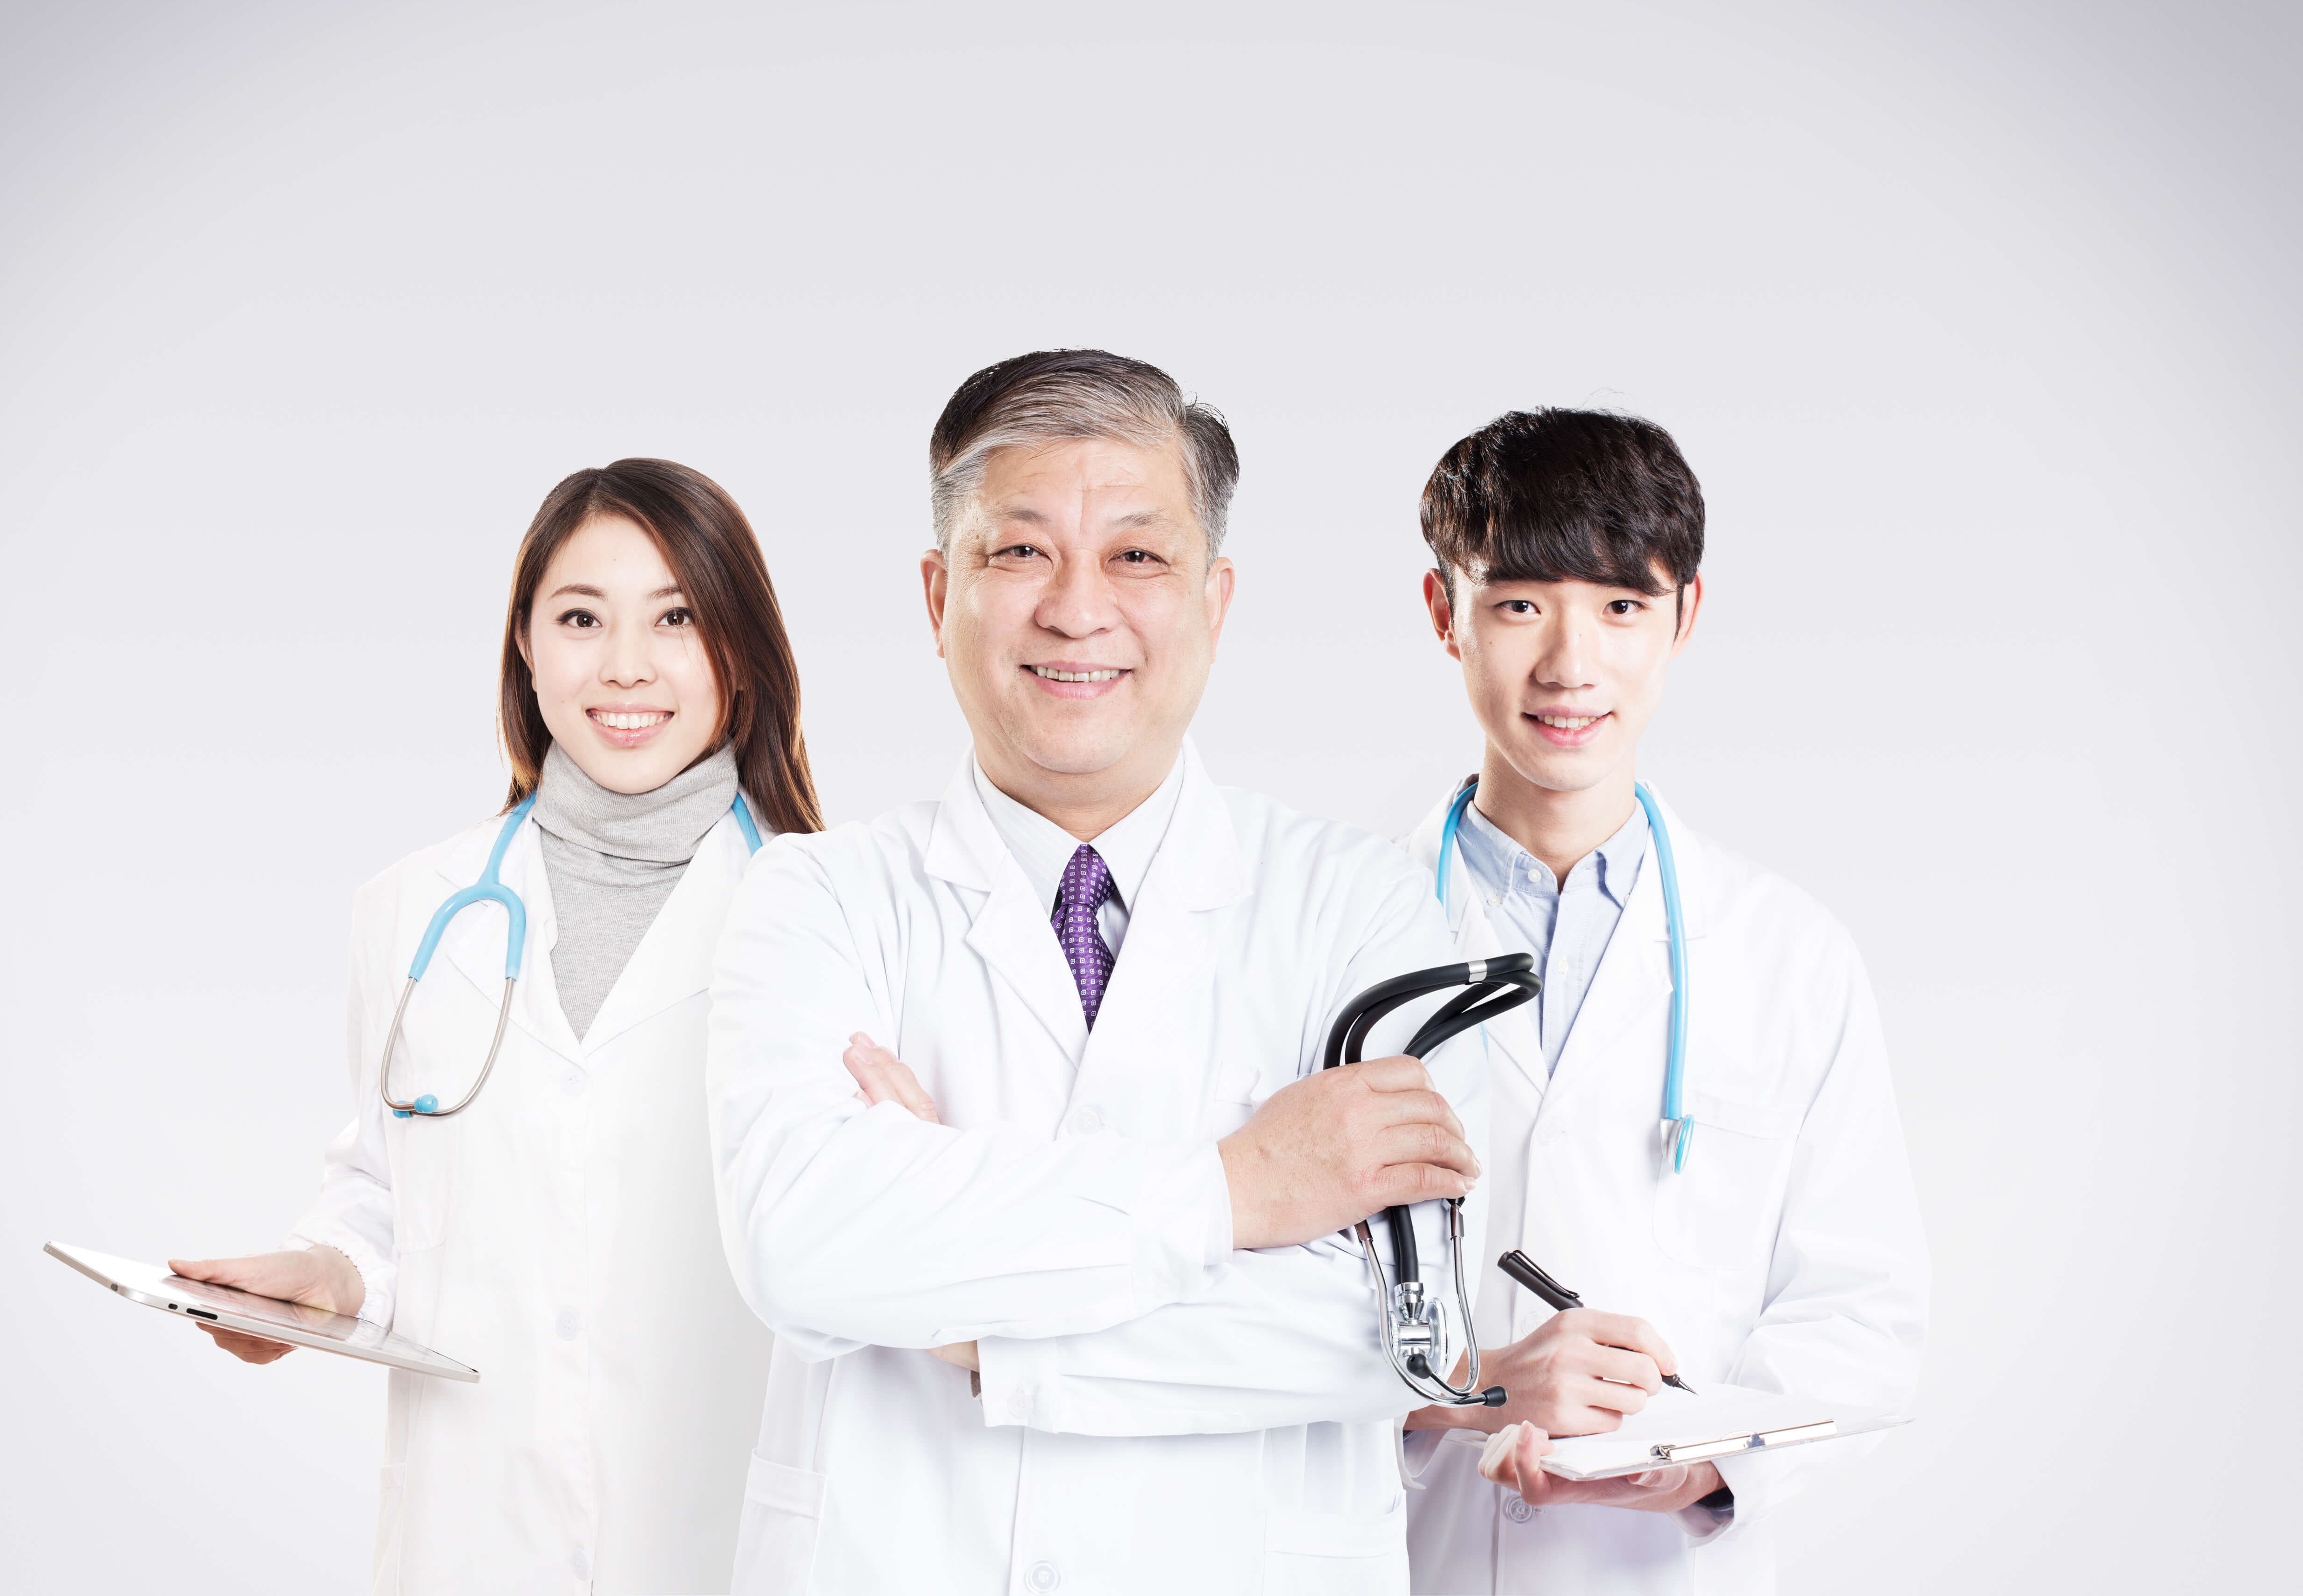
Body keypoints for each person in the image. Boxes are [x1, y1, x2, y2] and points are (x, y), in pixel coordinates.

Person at [707, 349, 1492, 1596]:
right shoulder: (817, 897)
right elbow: (802, 1245)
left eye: (1137, 556)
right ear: (938, 595)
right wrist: (1241, 1189)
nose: (1078, 610)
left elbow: (1406, 1329)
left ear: (1215, 602)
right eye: (1020, 551)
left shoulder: (1363, 911)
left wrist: (970, 1321)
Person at [172, 459, 823, 1594]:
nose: (626, 665)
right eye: (581, 618)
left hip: (730, 1547)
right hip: (473, 1543)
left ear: (740, 646)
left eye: (675, 618)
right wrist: (327, 1276)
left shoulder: (837, 919)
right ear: (525, 644)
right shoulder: (411, 911)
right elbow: (389, 1193)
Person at [1392, 409, 1928, 1594]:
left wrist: (1700, 1469)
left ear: (1686, 616)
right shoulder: (1333, 940)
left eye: (1621, 607)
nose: (1570, 665)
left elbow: (1860, 1310)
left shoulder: (1790, 956)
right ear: (1445, 614)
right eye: (1519, 604)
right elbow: (1245, 1309)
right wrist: (1469, 1392)